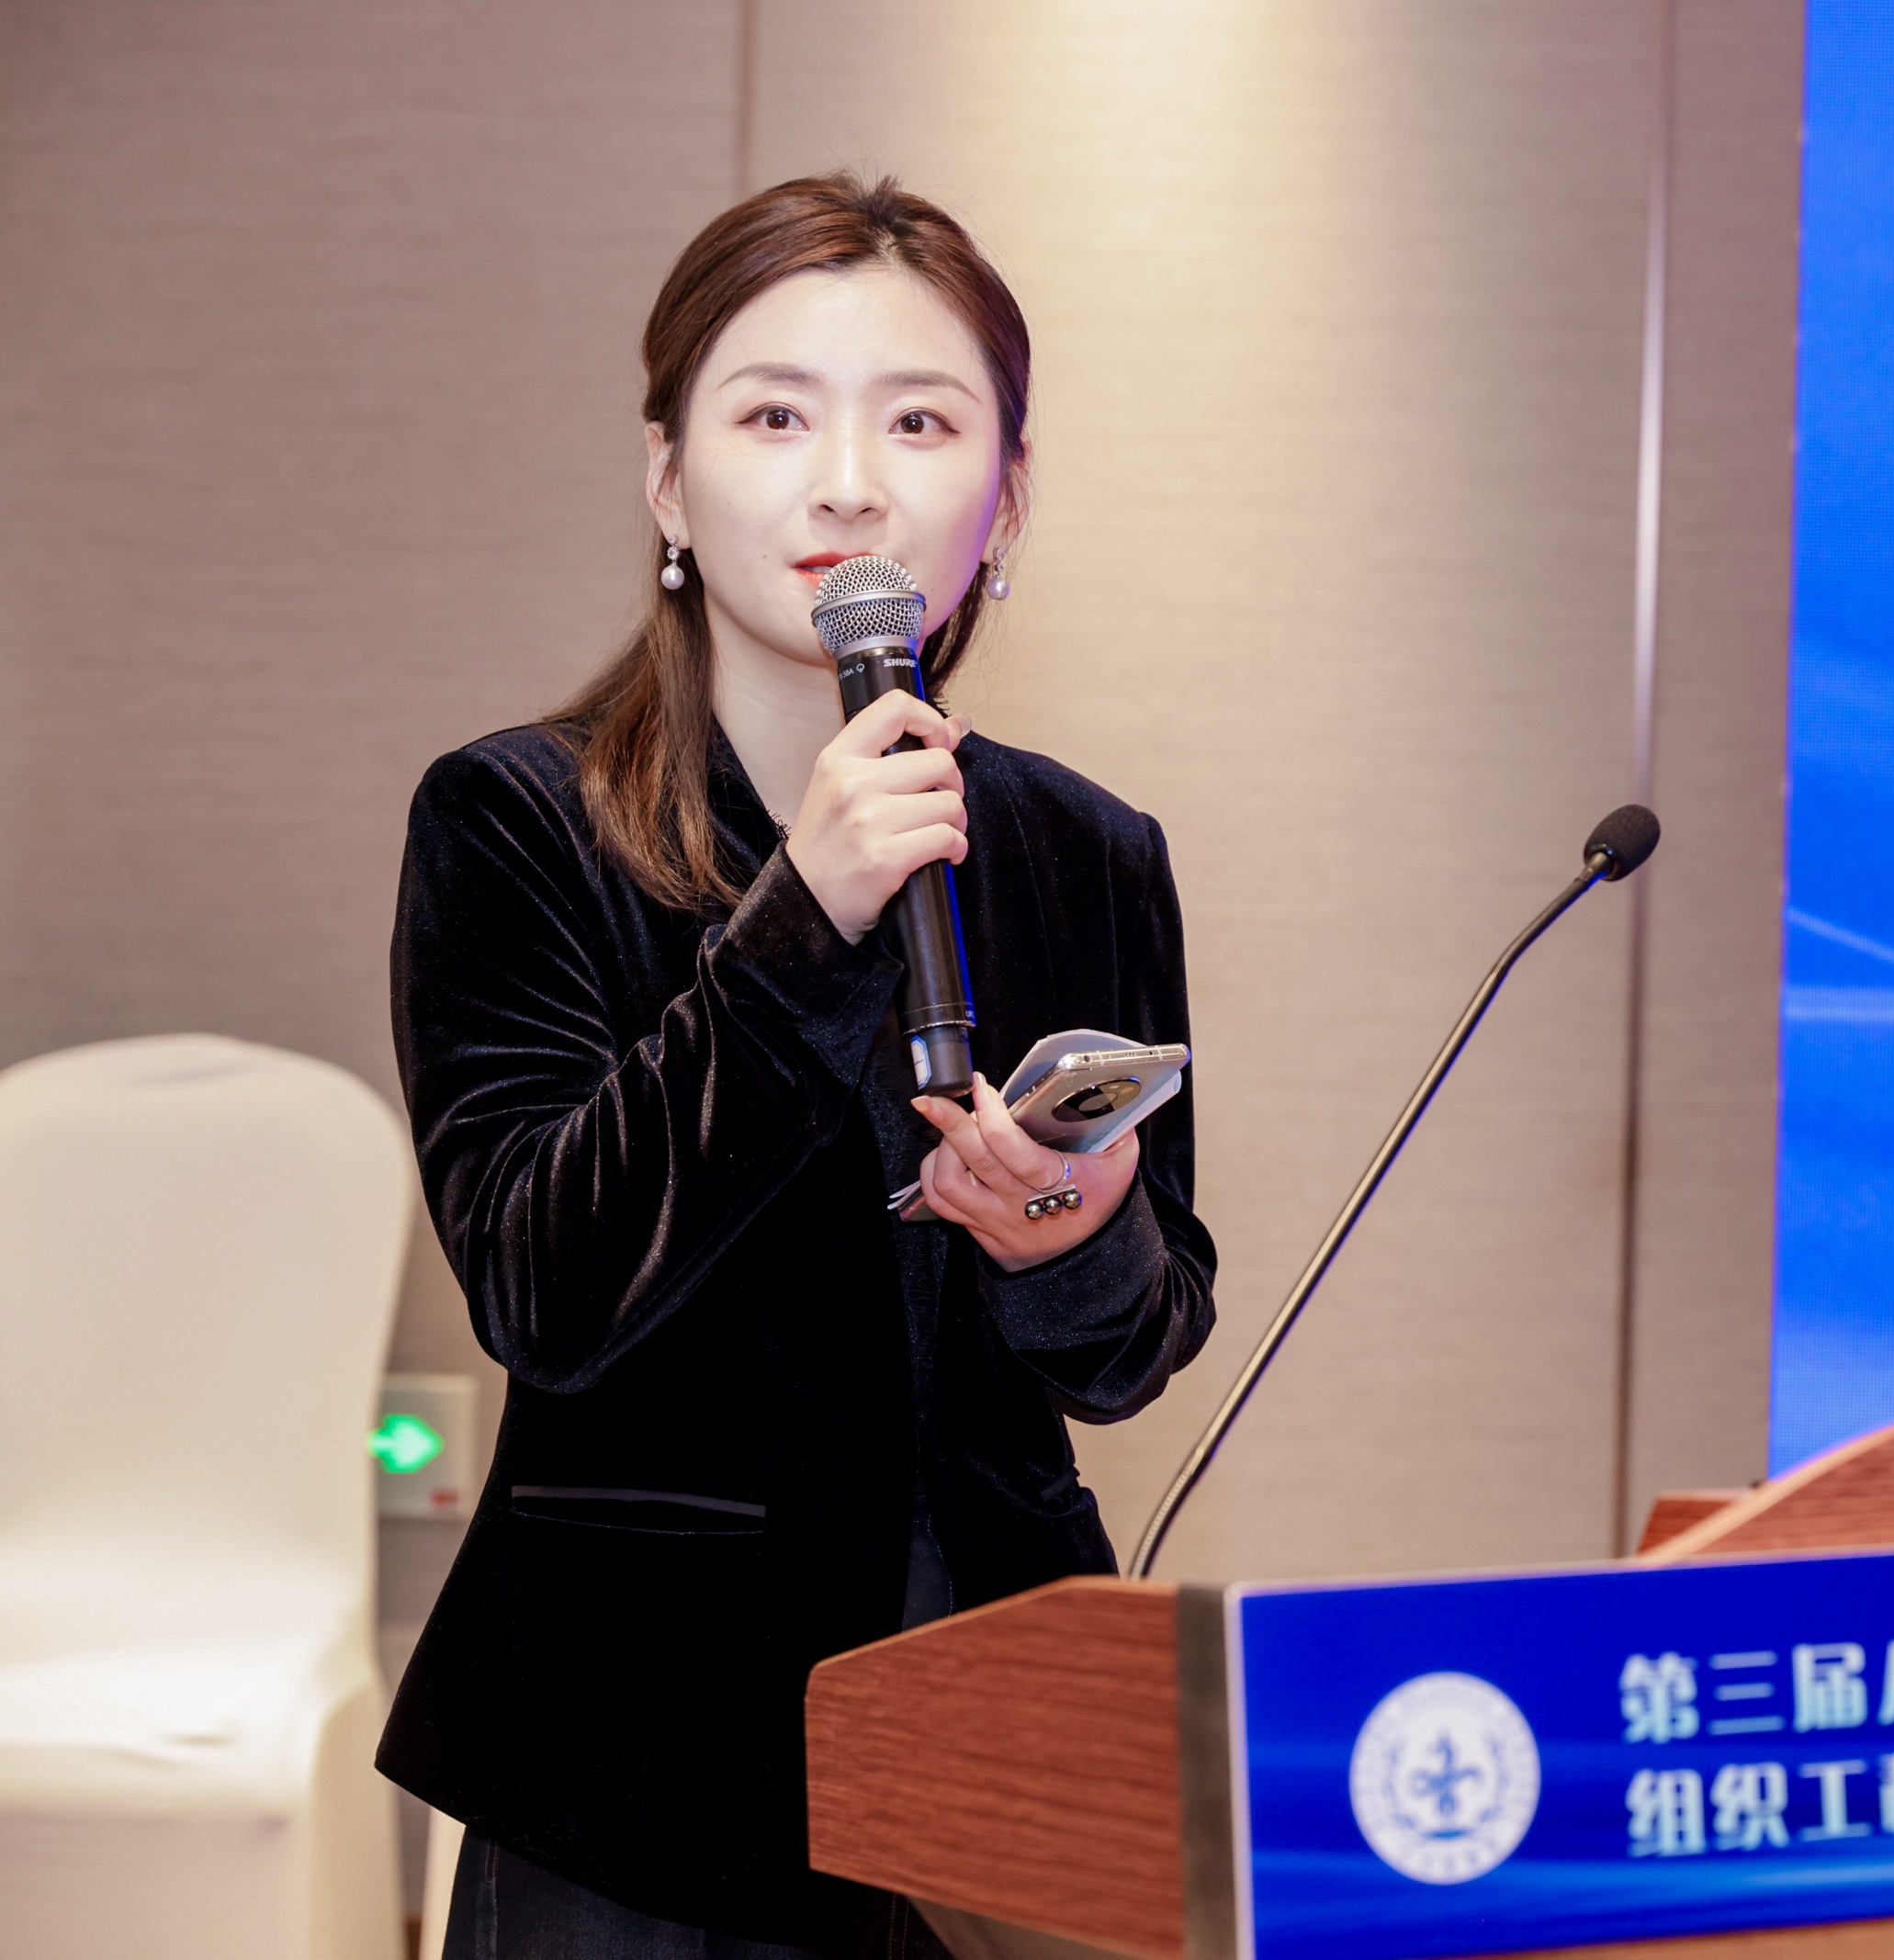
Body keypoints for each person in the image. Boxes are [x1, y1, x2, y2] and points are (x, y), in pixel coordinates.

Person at [378, 173, 1218, 1957]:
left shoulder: (1088, 851)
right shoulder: (517, 824)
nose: (848, 480)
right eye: (775, 416)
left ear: (1002, 500)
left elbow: (1137, 1347)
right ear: (668, 482)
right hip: (638, 1757)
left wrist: (1074, 1234)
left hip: (998, 1729)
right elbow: (540, 1287)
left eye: (920, 421)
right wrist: (799, 922)